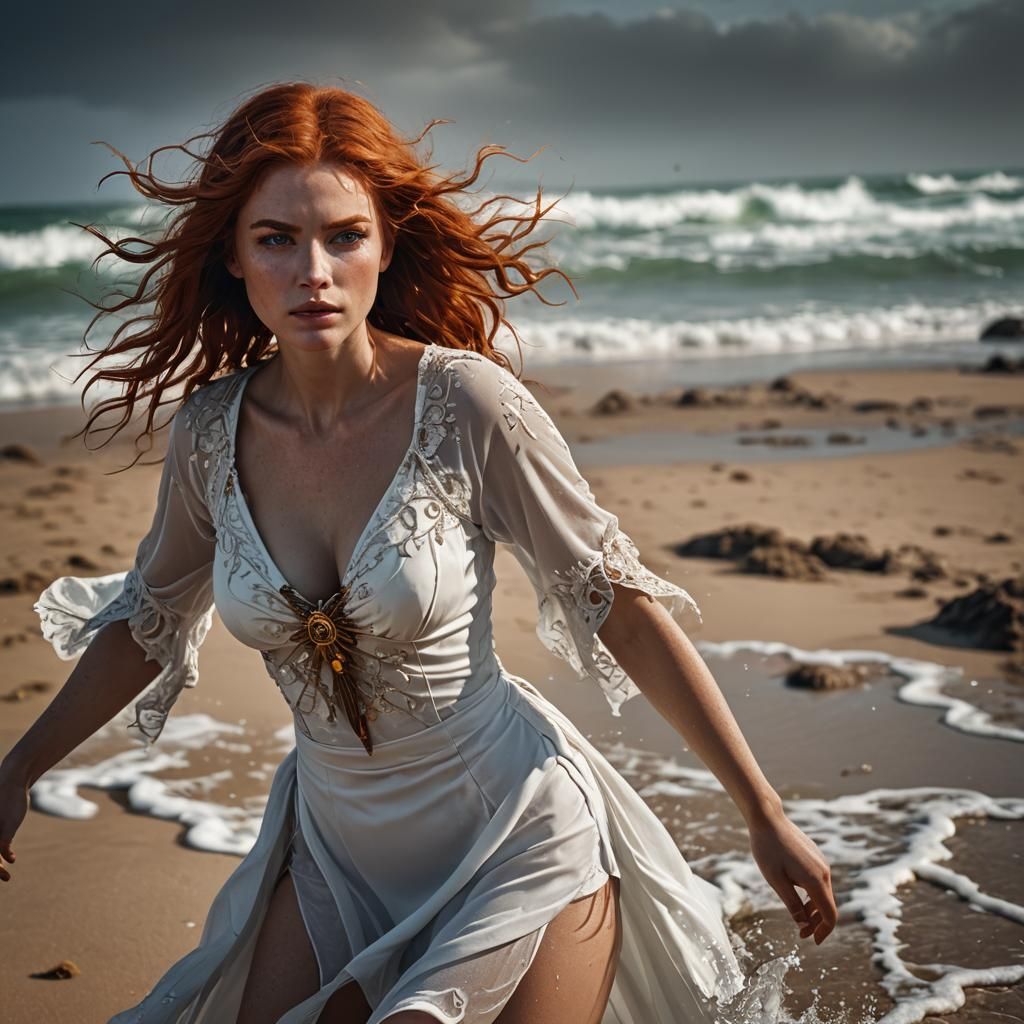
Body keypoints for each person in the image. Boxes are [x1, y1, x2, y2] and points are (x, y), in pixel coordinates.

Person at [0, 82, 837, 1024]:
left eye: (343, 236)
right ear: (233, 256)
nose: (312, 270)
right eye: (275, 238)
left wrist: (762, 811)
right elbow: (147, 626)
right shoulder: (210, 433)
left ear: (385, 245)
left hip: (511, 832)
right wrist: (17, 769)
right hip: (333, 846)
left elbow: (616, 603)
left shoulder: (468, 406)